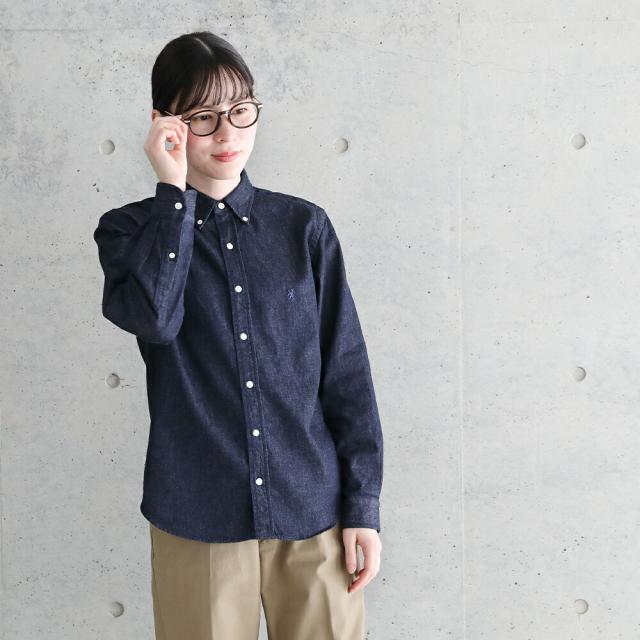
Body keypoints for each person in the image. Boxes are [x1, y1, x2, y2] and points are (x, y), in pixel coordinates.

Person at [93, 30, 384, 640]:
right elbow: (154, 319)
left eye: (240, 111)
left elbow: (346, 371)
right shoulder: (128, 233)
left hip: (312, 511)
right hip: (197, 516)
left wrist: (363, 505)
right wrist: (173, 193)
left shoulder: (304, 227)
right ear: (165, 123)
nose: (227, 133)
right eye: (203, 117)